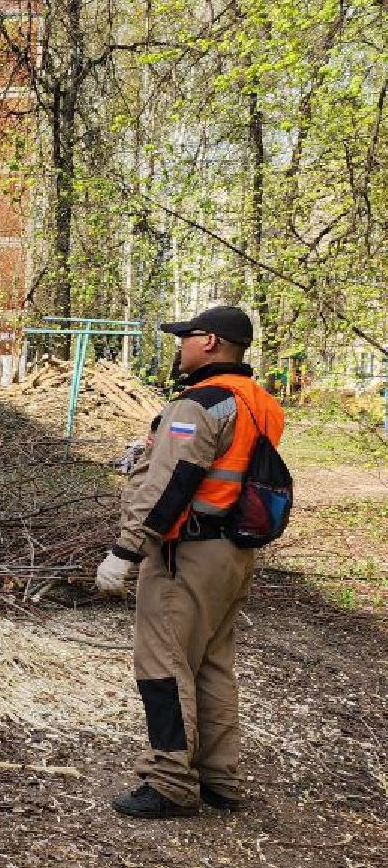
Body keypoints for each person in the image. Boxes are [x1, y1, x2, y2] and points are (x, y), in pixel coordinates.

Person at [93, 305, 285, 820]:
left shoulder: (199, 403)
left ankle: (171, 780)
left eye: (187, 337)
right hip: (233, 553)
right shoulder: (258, 402)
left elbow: (170, 485)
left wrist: (126, 550)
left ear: (211, 343)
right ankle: (221, 780)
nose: (180, 345)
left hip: (187, 554)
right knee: (212, 666)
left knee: (162, 666)